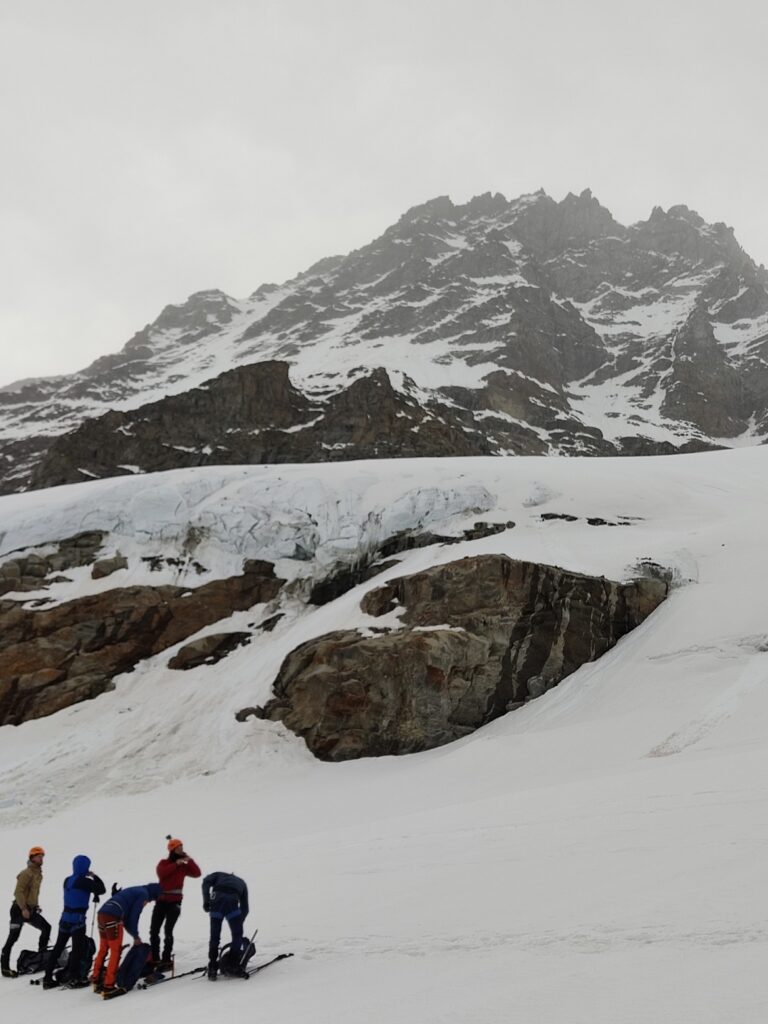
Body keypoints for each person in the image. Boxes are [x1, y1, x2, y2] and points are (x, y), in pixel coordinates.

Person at [42, 854, 105, 988]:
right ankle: (74, 978)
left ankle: (47, 978)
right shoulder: (84, 881)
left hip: (65, 918)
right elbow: (101, 889)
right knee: (78, 949)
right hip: (78, 920)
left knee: (58, 948)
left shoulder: (67, 880)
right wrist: (94, 876)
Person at [91, 882, 160, 994]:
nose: (149, 902)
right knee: (116, 951)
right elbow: (133, 917)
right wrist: (136, 937)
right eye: (151, 900)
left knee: (103, 948)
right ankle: (109, 985)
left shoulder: (135, 888)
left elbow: (127, 918)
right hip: (113, 917)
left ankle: (96, 979)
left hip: (102, 914)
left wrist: (134, 935)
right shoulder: (143, 895)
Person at [150, 837, 201, 969]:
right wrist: (176, 864)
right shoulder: (164, 863)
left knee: (168, 930)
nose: (181, 849)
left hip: (175, 902)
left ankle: (166, 960)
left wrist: (189, 860)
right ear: (172, 850)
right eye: (178, 848)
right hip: (161, 901)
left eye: (182, 847)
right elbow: (162, 874)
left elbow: (197, 873)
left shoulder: (183, 867)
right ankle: (155, 958)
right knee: (154, 930)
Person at [1, 846, 51, 979]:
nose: (41, 858)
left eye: (42, 856)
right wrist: (23, 908)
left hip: (30, 909)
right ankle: (4, 967)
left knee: (46, 928)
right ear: (32, 858)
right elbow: (18, 892)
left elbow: (32, 892)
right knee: (13, 938)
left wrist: (35, 906)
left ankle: (42, 956)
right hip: (19, 910)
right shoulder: (26, 873)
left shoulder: (37, 874)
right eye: (39, 856)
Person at [201, 871, 249, 980]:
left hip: (216, 899)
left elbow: (206, 882)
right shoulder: (242, 882)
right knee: (237, 934)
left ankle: (212, 966)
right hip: (232, 900)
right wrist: (238, 923)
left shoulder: (218, 875)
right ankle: (232, 964)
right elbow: (245, 908)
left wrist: (206, 900)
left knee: (215, 935)